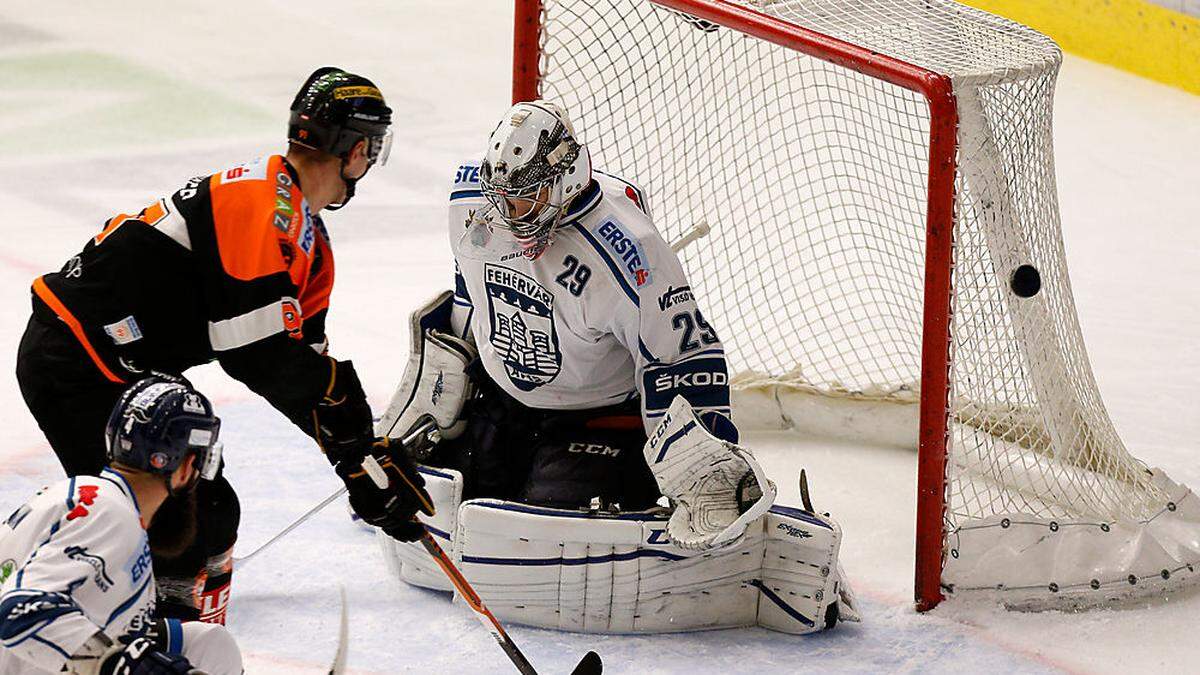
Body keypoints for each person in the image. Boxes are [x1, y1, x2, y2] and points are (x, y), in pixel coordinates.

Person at [15, 67, 433, 623]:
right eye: (371, 149)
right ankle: (52, 608)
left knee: (207, 511)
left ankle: (159, 617)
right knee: (173, 521)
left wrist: (360, 460)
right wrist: (346, 424)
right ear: (357, 151)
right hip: (74, 359)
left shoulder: (306, 238)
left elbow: (304, 370)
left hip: (125, 366)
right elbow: (255, 355)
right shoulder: (255, 200)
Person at [379, 100, 771, 551]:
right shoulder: (472, 203)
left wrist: (703, 470)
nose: (508, 214)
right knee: (438, 499)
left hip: (597, 421)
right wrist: (440, 390)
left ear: (563, 176)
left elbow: (683, 356)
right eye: (500, 197)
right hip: (503, 405)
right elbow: (470, 292)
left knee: (541, 529)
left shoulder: (629, 247)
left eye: (525, 198)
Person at [0, 377, 242, 674]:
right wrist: (124, 665)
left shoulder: (95, 498)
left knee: (207, 643)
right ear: (186, 465)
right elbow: (20, 610)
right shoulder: (110, 513)